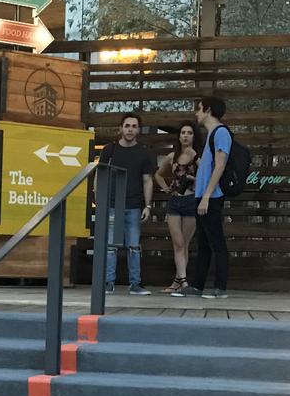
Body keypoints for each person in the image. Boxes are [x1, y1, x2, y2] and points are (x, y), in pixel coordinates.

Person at [98, 113, 155, 295]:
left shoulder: (144, 153)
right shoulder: (109, 150)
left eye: (134, 126)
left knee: (133, 247)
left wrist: (148, 206)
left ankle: (135, 284)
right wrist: (99, 200)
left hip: (134, 206)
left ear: (138, 130)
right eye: (127, 125)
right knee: (110, 247)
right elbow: (100, 175)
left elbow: (148, 180)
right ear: (120, 128)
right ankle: (108, 283)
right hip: (112, 204)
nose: (130, 129)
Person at [187, 96, 232, 299]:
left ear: (207, 110)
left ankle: (220, 287)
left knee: (216, 242)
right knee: (203, 243)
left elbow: (220, 165)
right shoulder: (211, 135)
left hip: (211, 197)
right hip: (203, 196)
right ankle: (197, 285)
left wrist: (206, 195)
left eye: (199, 109)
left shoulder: (221, 133)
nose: (197, 113)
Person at [154, 122, 200, 295]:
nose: (186, 135)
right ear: (179, 136)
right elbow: (158, 174)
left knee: (184, 244)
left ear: (194, 136)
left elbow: (206, 175)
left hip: (190, 201)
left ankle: (178, 281)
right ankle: (183, 282)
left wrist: (194, 158)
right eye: (183, 133)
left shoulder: (197, 157)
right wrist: (165, 188)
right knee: (178, 243)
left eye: (189, 133)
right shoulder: (172, 156)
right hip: (175, 201)